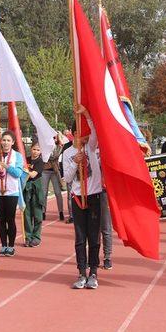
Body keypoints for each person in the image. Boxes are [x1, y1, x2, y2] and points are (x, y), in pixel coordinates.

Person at [63, 106, 104, 289]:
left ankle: (93, 272)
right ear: (73, 135)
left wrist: (86, 114)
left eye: (85, 134)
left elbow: (95, 130)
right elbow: (68, 178)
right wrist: (75, 163)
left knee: (94, 237)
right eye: (79, 134)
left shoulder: (92, 147)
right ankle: (81, 273)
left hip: (94, 196)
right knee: (80, 238)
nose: (83, 137)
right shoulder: (67, 153)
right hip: (78, 198)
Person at [0, 131, 25, 257]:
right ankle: (3, 245)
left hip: (11, 192)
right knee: (1, 220)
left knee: (10, 219)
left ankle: (11, 246)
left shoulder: (17, 156)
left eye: (8, 140)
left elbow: (18, 174)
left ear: (13, 142)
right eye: (4, 140)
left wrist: (6, 166)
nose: (6, 143)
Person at [24, 141, 46, 247]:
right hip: (26, 189)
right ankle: (28, 237)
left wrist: (25, 171)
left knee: (37, 215)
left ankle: (36, 237)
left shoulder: (40, 162)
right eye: (34, 149)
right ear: (31, 149)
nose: (35, 152)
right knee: (27, 214)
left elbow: (33, 175)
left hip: (36, 189)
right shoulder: (26, 160)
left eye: (38, 150)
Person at [41, 137, 64, 221]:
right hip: (45, 171)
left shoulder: (58, 147)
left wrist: (59, 141)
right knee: (44, 193)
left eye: (54, 138)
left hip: (54, 172)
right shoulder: (43, 147)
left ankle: (61, 212)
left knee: (58, 192)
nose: (52, 139)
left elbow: (54, 156)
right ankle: (43, 212)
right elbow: (46, 157)